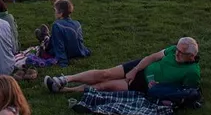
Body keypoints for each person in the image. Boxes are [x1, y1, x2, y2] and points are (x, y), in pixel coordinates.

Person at [45, 37, 200, 94]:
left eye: (181, 53)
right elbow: (152, 57)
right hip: (140, 67)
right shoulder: (173, 50)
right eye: (177, 50)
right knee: (105, 74)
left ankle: (66, 90)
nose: (176, 54)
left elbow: (184, 93)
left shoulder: (192, 72)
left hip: (146, 84)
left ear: (191, 56)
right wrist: (134, 69)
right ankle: (64, 79)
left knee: (104, 86)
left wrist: (159, 89)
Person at [35, 0, 91, 67]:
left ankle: (44, 38)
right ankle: (45, 37)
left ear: (60, 13)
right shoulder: (77, 23)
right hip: (78, 51)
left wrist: (63, 62)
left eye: (55, 11)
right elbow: (79, 41)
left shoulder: (57, 25)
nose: (54, 13)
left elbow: (59, 45)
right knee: (53, 38)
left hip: (66, 52)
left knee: (47, 45)